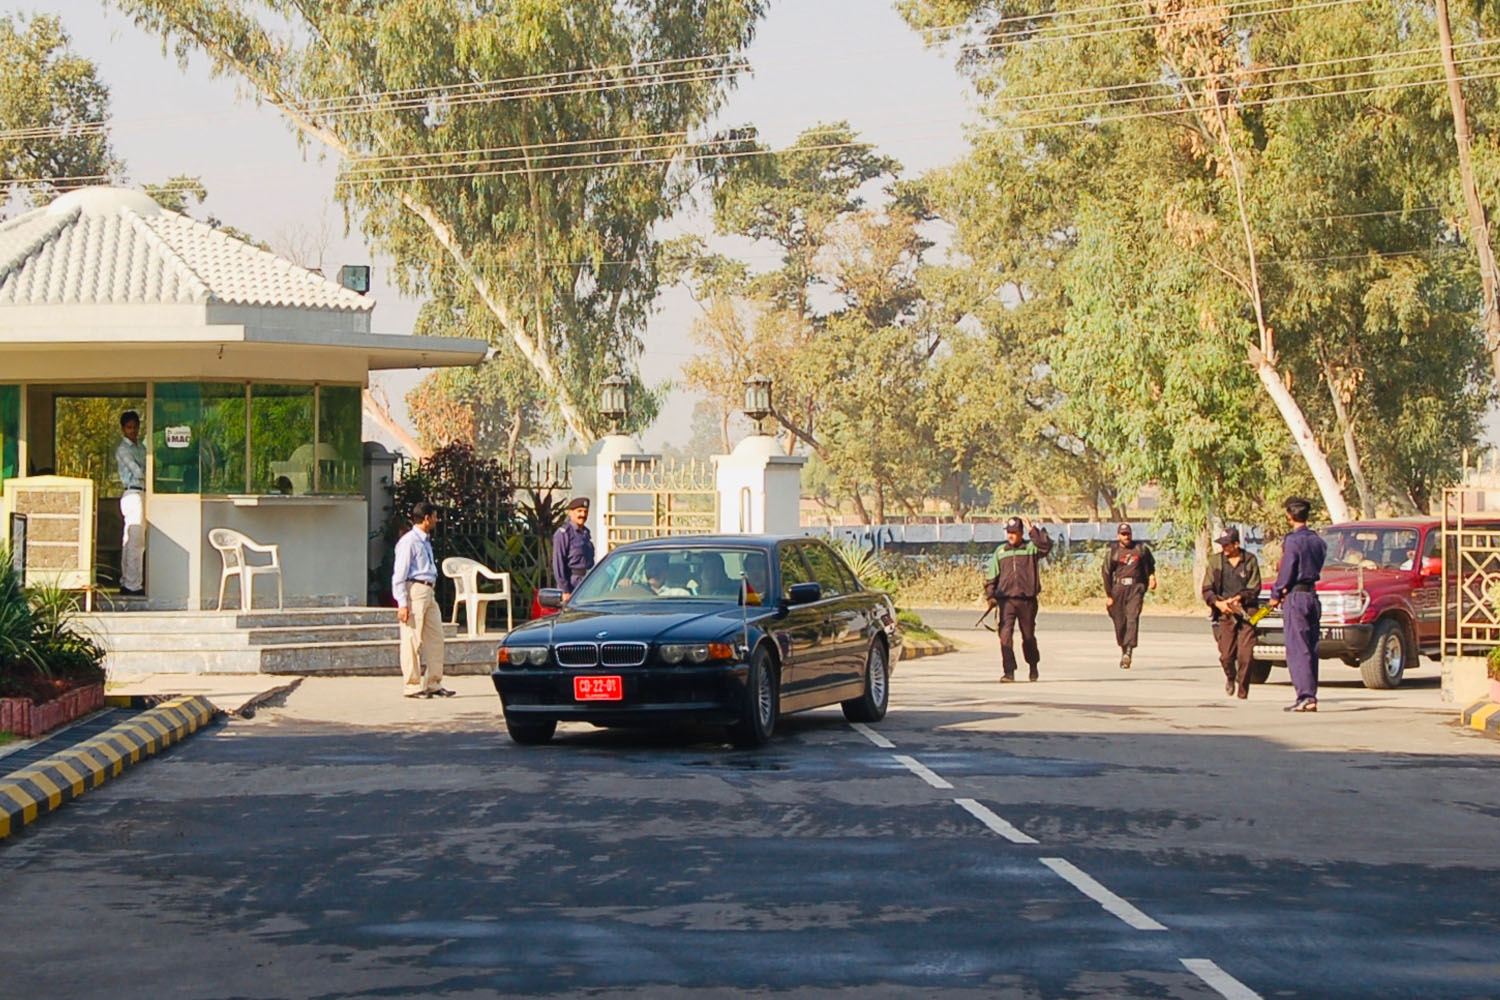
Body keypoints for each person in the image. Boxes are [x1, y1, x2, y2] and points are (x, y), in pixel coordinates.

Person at [1267, 497, 1327, 712]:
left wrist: (1277, 592)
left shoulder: (1293, 541)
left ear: (1289, 516)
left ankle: (1305, 695)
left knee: (1298, 648)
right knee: (1311, 648)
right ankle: (1311, 693)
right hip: (1312, 595)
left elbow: (1287, 570)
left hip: (1296, 598)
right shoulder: (1318, 541)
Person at [392, 501, 453, 699]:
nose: (436, 520)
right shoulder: (409, 541)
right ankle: (412, 685)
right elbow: (399, 574)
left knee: (436, 637)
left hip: (429, 590)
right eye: (434, 516)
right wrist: (402, 602)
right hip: (415, 589)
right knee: (412, 638)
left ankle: (434, 682)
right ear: (426, 518)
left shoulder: (425, 540)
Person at [984, 515, 1054, 682]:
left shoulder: (1031, 548)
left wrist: (1033, 531)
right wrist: (990, 596)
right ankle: (1009, 671)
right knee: (1005, 635)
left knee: (1028, 636)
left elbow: (1046, 546)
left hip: (1027, 600)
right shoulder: (1000, 552)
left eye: (1015, 532)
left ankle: (1033, 665)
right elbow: (992, 575)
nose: (1011, 536)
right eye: (1009, 532)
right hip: (1006, 601)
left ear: (1021, 533)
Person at [1202, 526, 1262, 699]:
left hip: (1246, 613)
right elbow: (1207, 589)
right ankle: (1230, 677)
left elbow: (1254, 588)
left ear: (1236, 544)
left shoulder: (1250, 560)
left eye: (1227, 544)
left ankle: (1243, 691)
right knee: (1226, 655)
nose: (1224, 548)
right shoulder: (1215, 561)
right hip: (1224, 613)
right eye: (1222, 544)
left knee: (1246, 655)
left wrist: (1239, 599)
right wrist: (1218, 603)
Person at [1101, 522, 1157, 669]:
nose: (1126, 537)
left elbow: (1150, 564)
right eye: (1123, 534)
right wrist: (1109, 595)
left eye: (1128, 534)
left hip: (1135, 588)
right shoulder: (1113, 552)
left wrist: (1151, 577)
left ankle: (1129, 651)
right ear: (1118, 535)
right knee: (1120, 622)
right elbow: (1106, 573)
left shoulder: (1140, 549)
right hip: (1119, 588)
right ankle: (1123, 650)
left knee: (1132, 617)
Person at [114, 410, 147, 596]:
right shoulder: (123, 449)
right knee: (134, 540)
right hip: (132, 492)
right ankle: (132, 584)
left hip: (143, 492)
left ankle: (129, 581)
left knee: (132, 540)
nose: (132, 431)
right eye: (129, 427)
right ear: (123, 428)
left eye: (135, 427)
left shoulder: (141, 448)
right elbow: (138, 472)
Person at [551, 497, 595, 601]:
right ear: (570, 513)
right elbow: (558, 563)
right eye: (579, 511)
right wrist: (564, 590)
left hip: (586, 583)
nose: (583, 515)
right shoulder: (563, 534)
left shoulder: (585, 533)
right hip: (572, 584)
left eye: (585, 512)